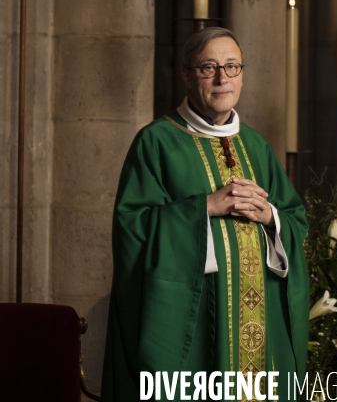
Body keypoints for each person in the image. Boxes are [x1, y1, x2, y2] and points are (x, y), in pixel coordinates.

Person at [100, 27, 309, 401]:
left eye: (232, 67)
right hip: (197, 329)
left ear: (242, 74)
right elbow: (132, 228)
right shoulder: (157, 142)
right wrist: (205, 208)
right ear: (186, 75)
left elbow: (295, 220)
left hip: (261, 322)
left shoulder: (256, 145)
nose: (221, 78)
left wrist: (271, 218)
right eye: (208, 67)